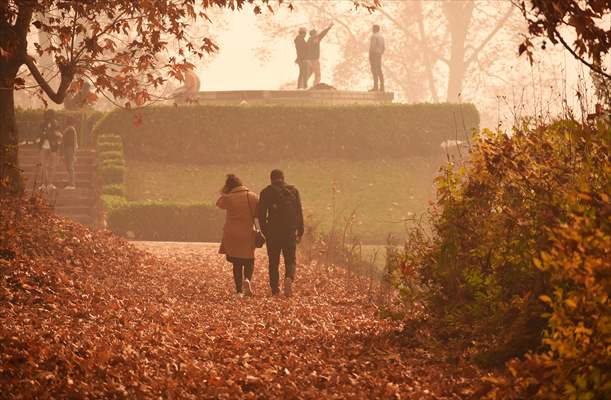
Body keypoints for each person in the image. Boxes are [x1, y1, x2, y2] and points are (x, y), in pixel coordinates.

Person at [258, 169, 304, 297]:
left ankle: (275, 290)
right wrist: (300, 231)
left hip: (273, 232)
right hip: (289, 232)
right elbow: (299, 212)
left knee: (273, 262)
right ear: (283, 178)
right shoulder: (293, 191)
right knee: (291, 260)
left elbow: (261, 215)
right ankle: (289, 278)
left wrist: (265, 231)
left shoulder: (266, 192)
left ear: (271, 179)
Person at [216, 174, 259, 297]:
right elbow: (257, 214)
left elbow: (219, 203)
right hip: (247, 232)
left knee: (237, 262)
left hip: (232, 234)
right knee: (249, 260)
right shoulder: (251, 196)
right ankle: (247, 279)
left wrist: (225, 192)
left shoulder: (229, 198)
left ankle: (239, 291)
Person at [38, 109, 61, 190]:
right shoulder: (43, 123)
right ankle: (45, 183)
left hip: (53, 147)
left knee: (52, 166)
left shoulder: (55, 123)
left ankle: (50, 183)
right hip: (44, 146)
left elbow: (57, 134)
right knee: (44, 166)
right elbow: (41, 134)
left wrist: (47, 134)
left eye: (50, 115)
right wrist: (49, 134)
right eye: (47, 115)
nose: (48, 116)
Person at [306, 23, 333, 87]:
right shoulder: (316, 39)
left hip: (309, 60)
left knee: (309, 74)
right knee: (318, 74)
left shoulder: (308, 41)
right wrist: (329, 27)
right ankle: (315, 86)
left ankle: (302, 84)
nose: (316, 35)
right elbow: (323, 33)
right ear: (314, 34)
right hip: (314, 59)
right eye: (316, 34)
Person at [61, 117, 78, 189]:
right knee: (69, 166)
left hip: (69, 149)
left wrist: (61, 136)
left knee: (70, 166)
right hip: (68, 149)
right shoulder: (71, 129)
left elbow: (70, 141)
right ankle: (70, 182)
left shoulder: (70, 129)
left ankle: (72, 184)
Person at [369, 24, 385, 92]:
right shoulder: (381, 37)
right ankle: (382, 86)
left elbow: (372, 47)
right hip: (379, 55)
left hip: (374, 55)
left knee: (374, 71)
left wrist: (372, 55)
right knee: (379, 70)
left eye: (373, 28)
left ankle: (376, 87)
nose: (372, 30)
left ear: (375, 29)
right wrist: (380, 53)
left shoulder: (373, 36)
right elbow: (384, 47)